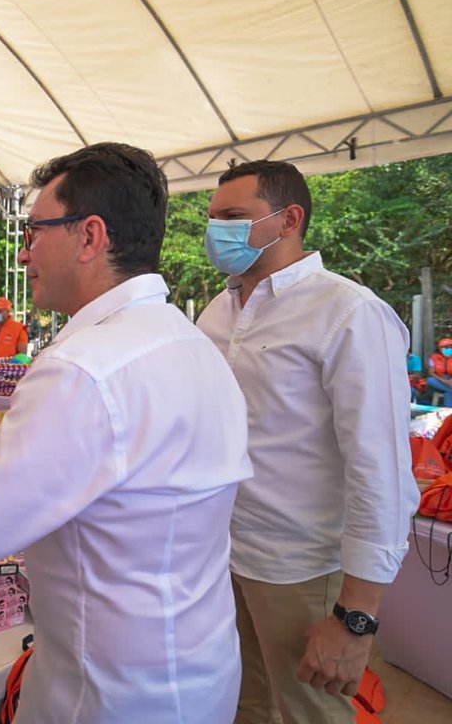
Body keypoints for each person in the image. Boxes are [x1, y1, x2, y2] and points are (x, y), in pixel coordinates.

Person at [0, 142, 252, 724]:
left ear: (89, 236)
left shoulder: (83, 370)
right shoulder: (195, 347)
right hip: (198, 676)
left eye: (36, 231)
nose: (27, 251)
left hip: (108, 697)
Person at [196, 159, 420, 724]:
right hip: (223, 555)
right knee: (240, 704)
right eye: (212, 217)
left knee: (306, 713)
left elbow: (382, 469)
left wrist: (356, 617)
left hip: (301, 568)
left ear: (288, 218)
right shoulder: (217, 312)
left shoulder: (347, 313)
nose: (216, 230)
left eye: (233, 216)